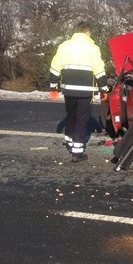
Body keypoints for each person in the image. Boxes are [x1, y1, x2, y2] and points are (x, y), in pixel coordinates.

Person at [49, 21, 108, 163]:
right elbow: (99, 69)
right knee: (82, 119)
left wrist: (53, 87)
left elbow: (54, 67)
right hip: (86, 90)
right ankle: (77, 152)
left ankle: (69, 142)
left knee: (71, 115)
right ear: (87, 32)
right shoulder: (92, 48)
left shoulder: (64, 46)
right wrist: (104, 88)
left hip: (68, 88)